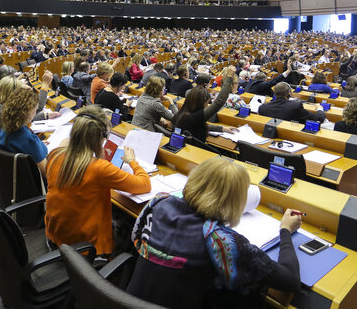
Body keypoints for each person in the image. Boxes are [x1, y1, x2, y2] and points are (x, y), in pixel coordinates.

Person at [127, 156, 301, 309]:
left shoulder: (158, 203)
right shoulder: (223, 240)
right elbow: (290, 280)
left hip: (126, 301)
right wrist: (285, 230)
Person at [44, 106, 151, 256]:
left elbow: (67, 145)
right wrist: (132, 161)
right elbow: (145, 184)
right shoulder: (99, 168)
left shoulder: (55, 154)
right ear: (99, 138)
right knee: (132, 225)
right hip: (85, 249)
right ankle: (116, 272)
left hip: (56, 236)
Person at [172, 67, 238, 142]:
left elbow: (199, 123)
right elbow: (219, 102)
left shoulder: (182, 113)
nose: (207, 106)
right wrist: (229, 77)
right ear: (200, 103)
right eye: (206, 103)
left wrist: (222, 128)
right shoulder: (195, 116)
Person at [0, 86, 48, 176]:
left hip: (9, 175)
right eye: (35, 110)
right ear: (29, 112)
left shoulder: (5, 127)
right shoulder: (30, 141)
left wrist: (39, 146)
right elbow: (47, 173)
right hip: (31, 184)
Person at [259, 82, 326, 123]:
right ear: (289, 93)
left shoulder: (263, 107)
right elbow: (318, 119)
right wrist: (320, 109)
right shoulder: (296, 106)